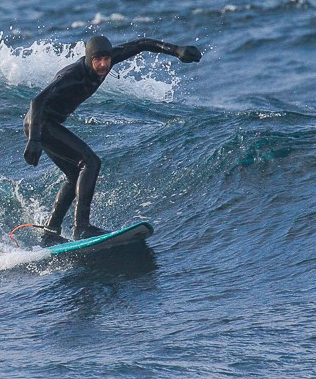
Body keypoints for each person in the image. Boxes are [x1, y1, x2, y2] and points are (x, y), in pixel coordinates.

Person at [23, 34, 202, 245]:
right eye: (97, 59)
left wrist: (177, 50)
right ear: (88, 58)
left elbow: (140, 44)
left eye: (106, 59)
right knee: (90, 162)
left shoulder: (107, 61)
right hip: (41, 124)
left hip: (50, 125)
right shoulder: (72, 74)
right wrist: (34, 140)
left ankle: (50, 231)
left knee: (74, 176)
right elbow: (37, 102)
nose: (102, 64)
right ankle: (82, 228)